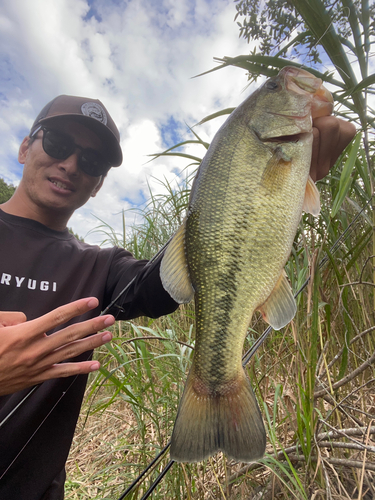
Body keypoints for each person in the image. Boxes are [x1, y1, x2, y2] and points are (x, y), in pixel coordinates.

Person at [0, 94, 356, 499]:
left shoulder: (101, 267)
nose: (70, 164)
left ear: (98, 184)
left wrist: (255, 192)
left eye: (92, 161)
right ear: (25, 146)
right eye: (59, 144)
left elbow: (160, 288)